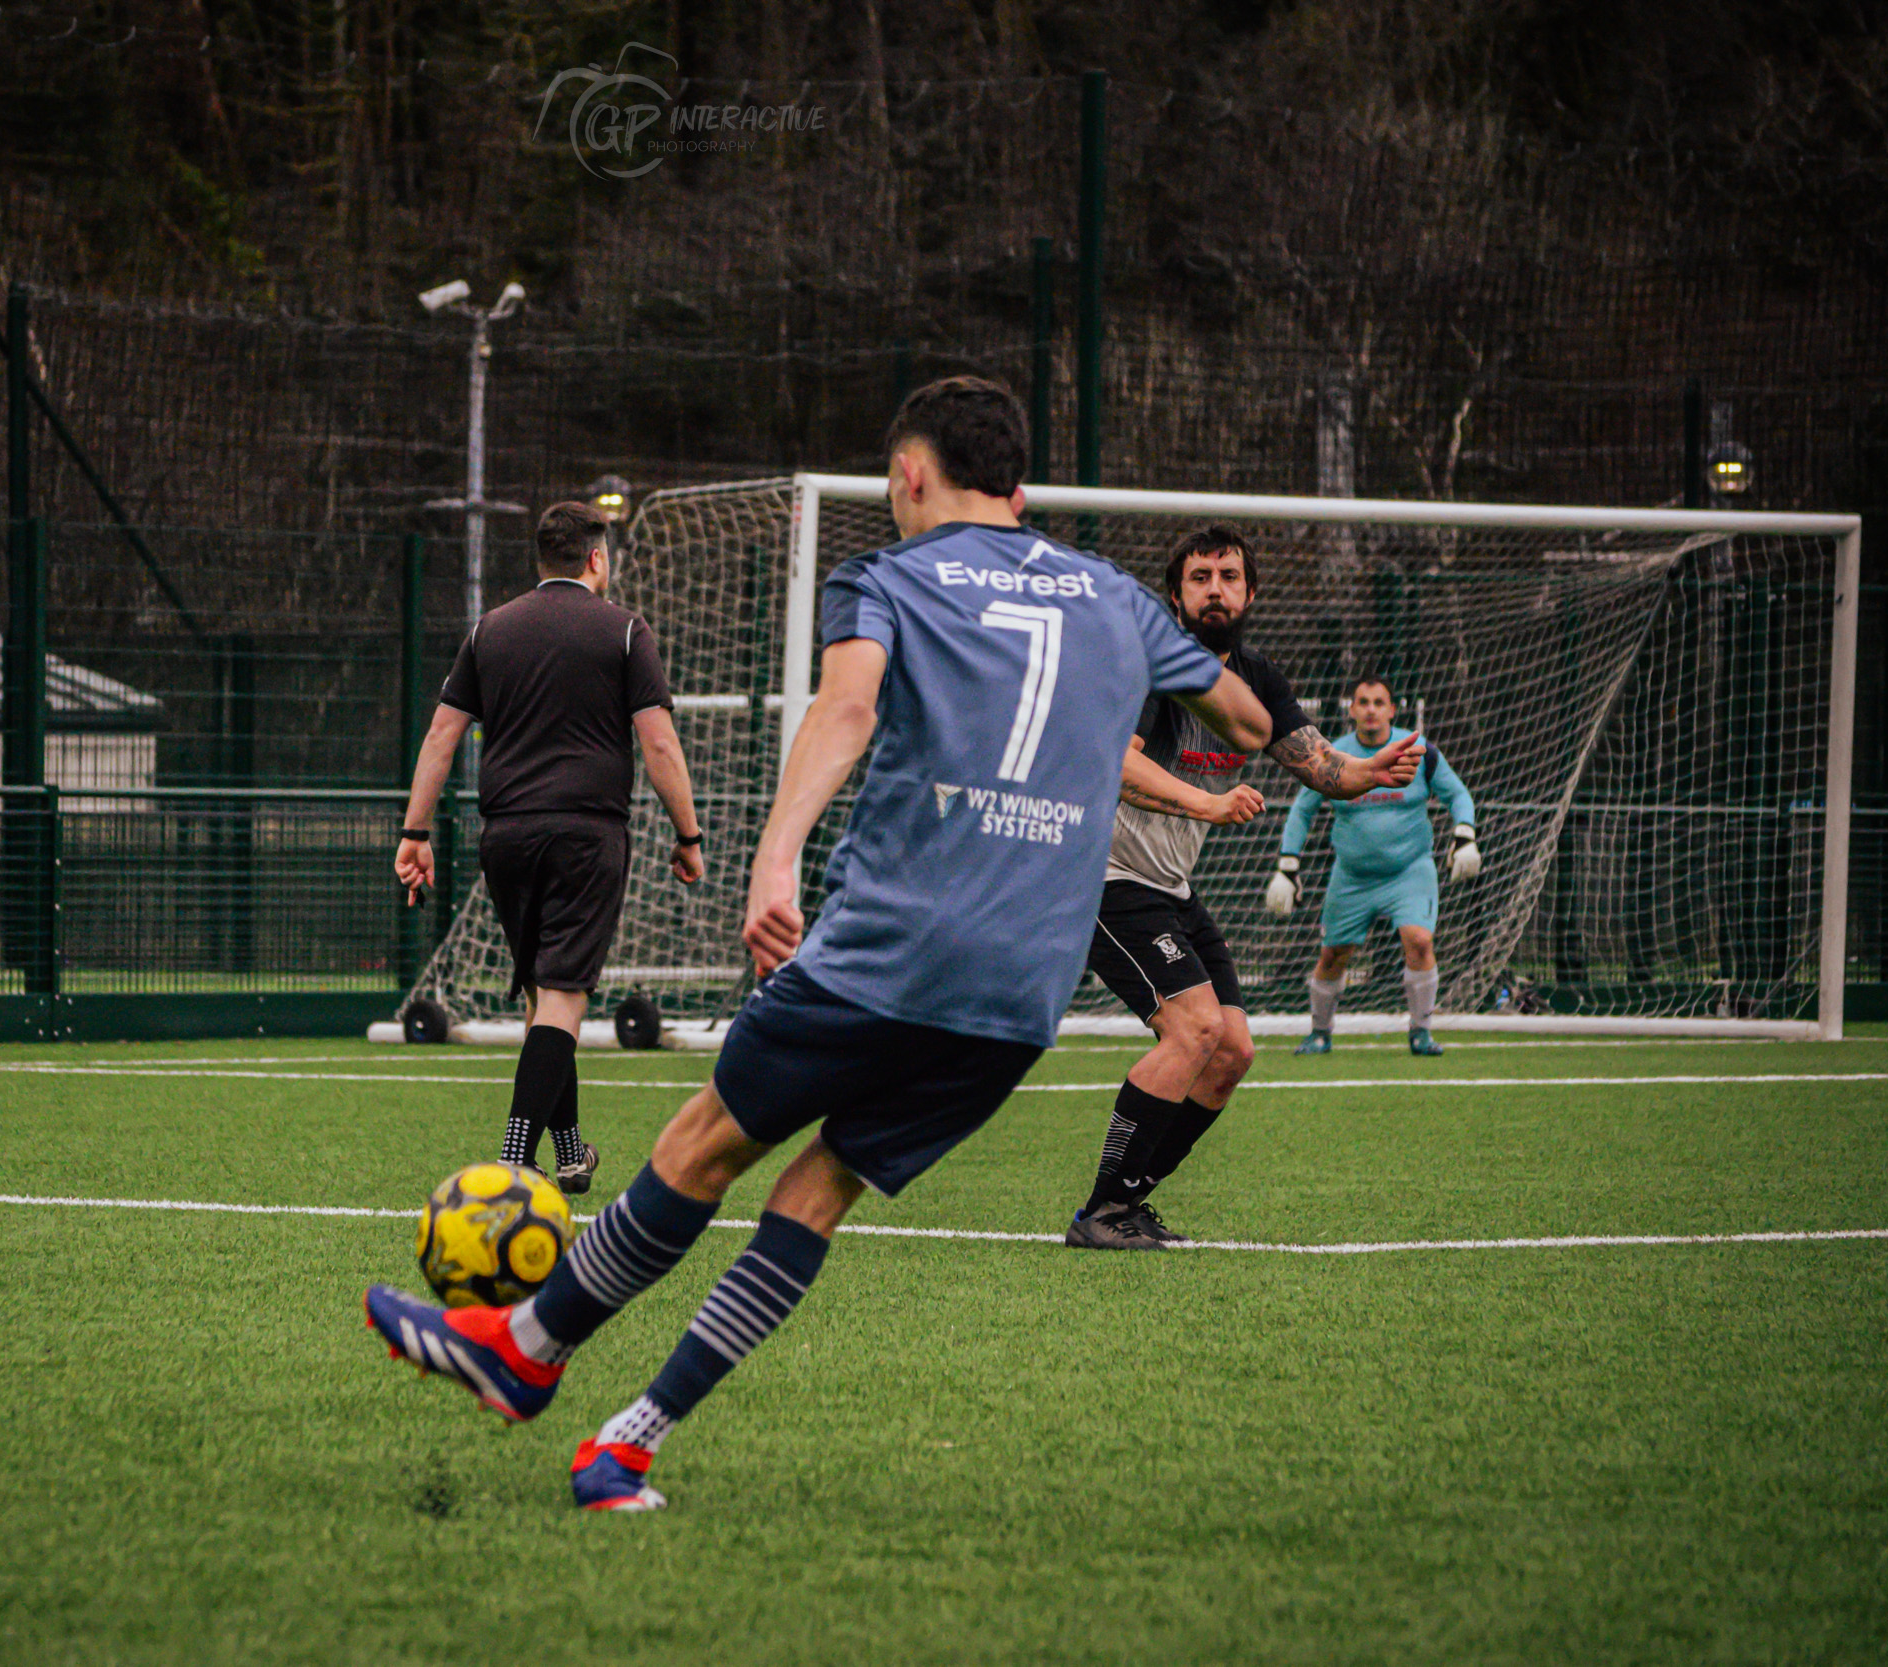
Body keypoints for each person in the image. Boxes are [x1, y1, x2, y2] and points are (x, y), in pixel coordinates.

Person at [363, 375, 1273, 1509]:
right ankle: (628, 1441)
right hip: (1020, 989)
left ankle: (527, 1348)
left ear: (907, 474)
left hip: (892, 944)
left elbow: (844, 711)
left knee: (702, 1143)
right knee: (822, 1187)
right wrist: (1311, 761)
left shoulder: (885, 574)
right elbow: (1243, 721)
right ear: (1022, 485)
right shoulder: (1117, 596)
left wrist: (776, 852)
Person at [1065, 527, 1425, 1251]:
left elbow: (1324, 766)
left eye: (1229, 575)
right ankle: (1102, 1212)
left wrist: (1371, 768)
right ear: (1175, 596)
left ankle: (1127, 1202)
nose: (1216, 588)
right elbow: (1115, 766)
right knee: (1194, 1028)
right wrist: (1207, 803)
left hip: (1170, 884)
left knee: (1231, 1052)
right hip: (1105, 877)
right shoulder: (1150, 669)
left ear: (1251, 593)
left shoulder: (1256, 681)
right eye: (1200, 577)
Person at [393, 501, 705, 1194]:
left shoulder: (490, 629)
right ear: (597, 558)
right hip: (587, 836)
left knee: (545, 996)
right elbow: (658, 742)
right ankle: (512, 1159)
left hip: (505, 836)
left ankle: (569, 1150)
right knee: (563, 997)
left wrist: (415, 834)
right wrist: (689, 835)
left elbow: (442, 737)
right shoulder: (624, 629)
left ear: (541, 560)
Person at [1269, 674, 1480, 1056]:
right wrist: (1287, 865)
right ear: (1352, 710)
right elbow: (1302, 810)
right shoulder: (1332, 756)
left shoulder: (1419, 751)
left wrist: (1465, 834)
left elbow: (1458, 794)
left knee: (1419, 941)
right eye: (1362, 702)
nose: (1370, 710)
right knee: (1334, 954)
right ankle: (1319, 1032)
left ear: (1392, 711)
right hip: (1351, 877)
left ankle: (1421, 1032)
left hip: (1410, 871)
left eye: (1378, 703)